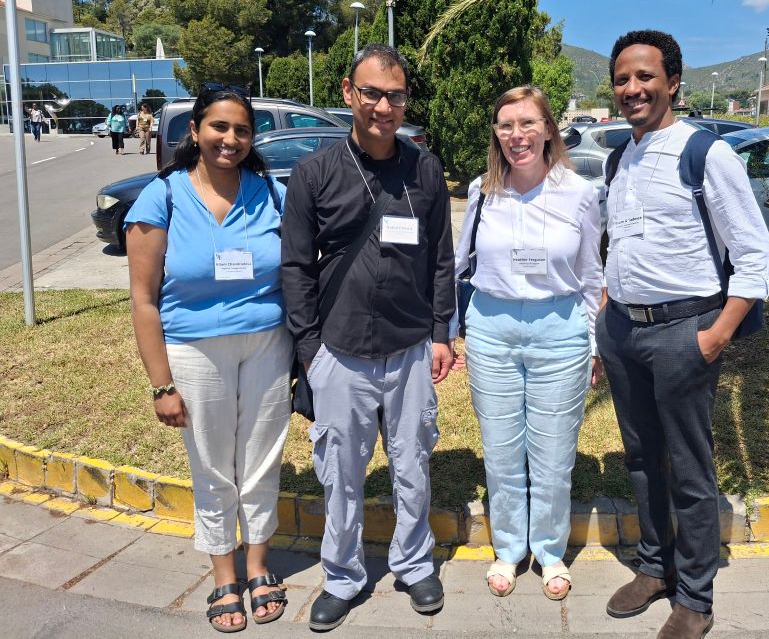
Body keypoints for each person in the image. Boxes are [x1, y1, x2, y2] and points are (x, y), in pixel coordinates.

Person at [597, 30, 769, 639]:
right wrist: (605, 310)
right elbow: (616, 243)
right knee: (643, 458)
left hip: (685, 332)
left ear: (673, 81)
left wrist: (718, 334)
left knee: (692, 470)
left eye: (645, 77)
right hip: (622, 329)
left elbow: (754, 252)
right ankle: (654, 568)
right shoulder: (620, 158)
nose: (632, 89)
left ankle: (695, 598)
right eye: (622, 79)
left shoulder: (706, 153)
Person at [281, 44, 455, 632]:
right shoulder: (314, 173)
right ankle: (343, 575)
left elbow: (440, 258)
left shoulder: (424, 168)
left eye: (396, 95)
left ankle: (413, 563)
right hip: (338, 350)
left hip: (409, 348)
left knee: (412, 465)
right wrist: (309, 353)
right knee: (341, 472)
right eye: (373, 93)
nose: (385, 106)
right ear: (349, 92)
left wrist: (440, 333)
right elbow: (297, 269)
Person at [125, 85, 293, 633]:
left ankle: (259, 564)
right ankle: (225, 575)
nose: (230, 139)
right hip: (195, 349)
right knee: (213, 463)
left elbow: (300, 268)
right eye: (219, 127)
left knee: (263, 459)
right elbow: (144, 299)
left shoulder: (269, 191)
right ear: (194, 131)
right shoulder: (163, 195)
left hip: (268, 342)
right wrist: (160, 385)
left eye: (242, 130)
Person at [450, 85, 602, 601]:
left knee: (555, 453)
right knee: (501, 450)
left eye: (527, 123)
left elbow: (590, 276)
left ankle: (551, 548)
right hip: (492, 328)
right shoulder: (481, 191)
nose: (517, 135)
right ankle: (510, 548)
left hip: (559, 331)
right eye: (506, 125)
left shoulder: (580, 194)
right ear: (496, 133)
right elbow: (460, 265)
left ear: (548, 129)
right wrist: (449, 328)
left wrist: (595, 342)